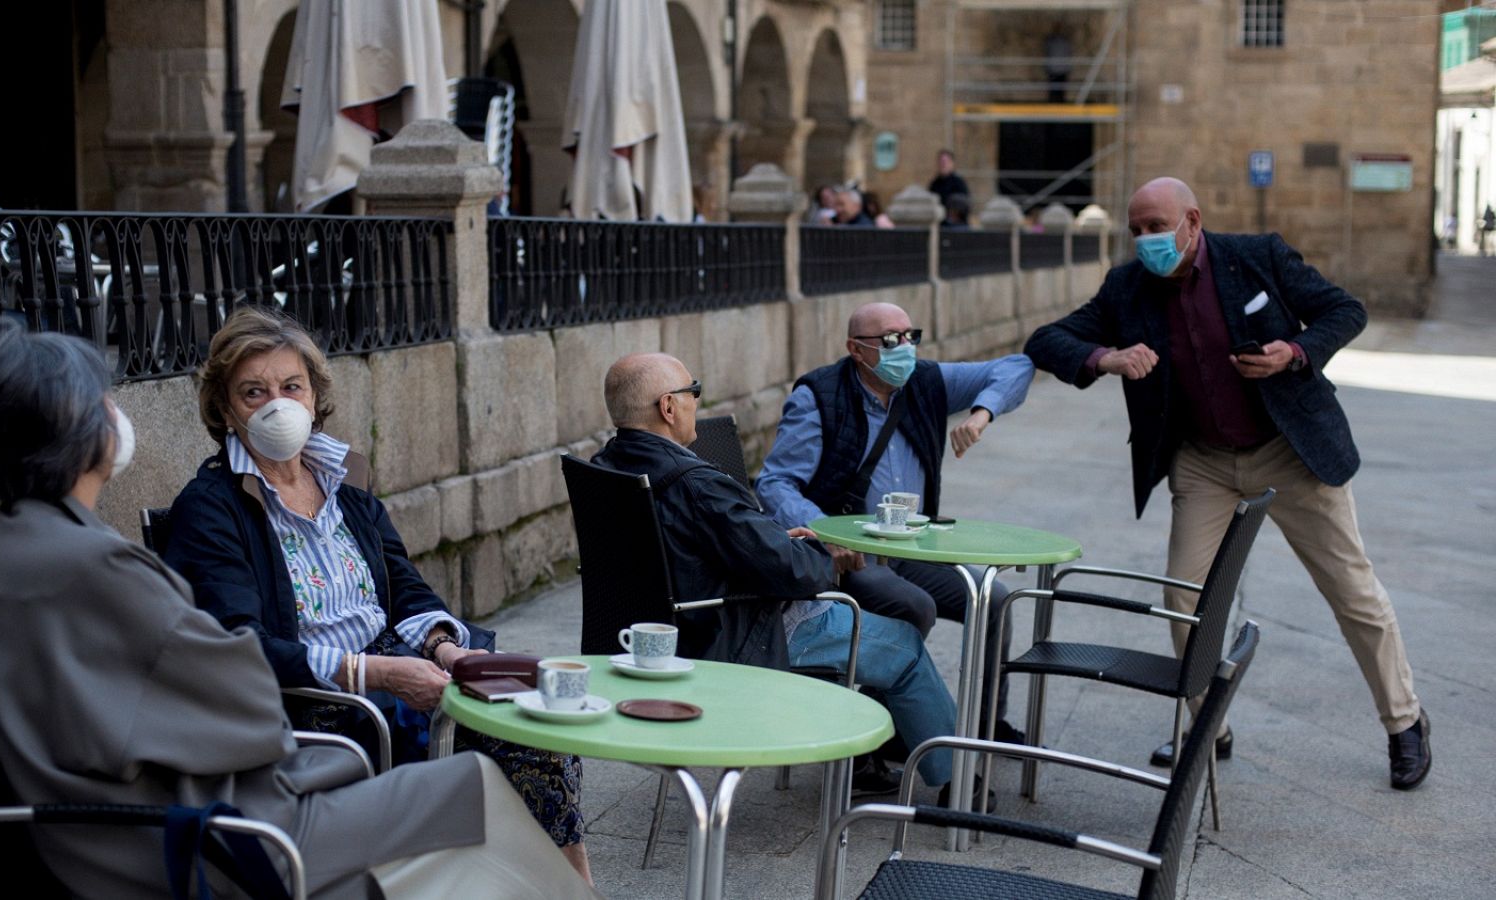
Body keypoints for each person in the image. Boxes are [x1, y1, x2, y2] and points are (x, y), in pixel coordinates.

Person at [0, 318, 597, 898]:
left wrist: (442, 646)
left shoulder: (24, 546)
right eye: (104, 401)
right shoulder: (105, 561)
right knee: (475, 787)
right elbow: (244, 685)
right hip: (218, 831)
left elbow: (190, 680)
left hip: (155, 818)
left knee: (517, 736)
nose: (116, 414)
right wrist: (364, 676)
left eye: (292, 386)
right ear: (76, 432)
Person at [1023, 176, 1430, 790]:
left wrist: (1293, 352)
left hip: (1289, 449)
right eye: (1136, 230)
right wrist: (1106, 358)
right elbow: (1046, 340)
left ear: (1192, 221)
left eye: (1156, 227)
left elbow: (1345, 310)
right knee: (1184, 594)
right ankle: (1208, 724)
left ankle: (1405, 721)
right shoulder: (1126, 287)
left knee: (1351, 589)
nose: (1145, 240)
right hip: (1204, 461)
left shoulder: (1258, 257)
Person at [163, 306, 593, 880]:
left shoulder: (343, 482)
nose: (276, 405)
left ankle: (567, 886)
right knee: (514, 745)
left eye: (291, 386)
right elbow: (241, 645)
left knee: (538, 720)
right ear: (224, 409)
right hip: (321, 699)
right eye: (253, 392)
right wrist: (377, 673)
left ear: (314, 396)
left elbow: (403, 585)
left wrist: (445, 647)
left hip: (399, 668)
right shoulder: (212, 507)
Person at [592, 352, 970, 802]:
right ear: (668, 407)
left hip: (663, 632)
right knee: (904, 647)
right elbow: (789, 571)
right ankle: (958, 785)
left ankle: (856, 749)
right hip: (736, 631)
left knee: (880, 617)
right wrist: (825, 556)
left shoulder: (605, 466)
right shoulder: (694, 481)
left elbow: (713, 546)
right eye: (694, 391)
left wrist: (771, 539)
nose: (698, 401)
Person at [754, 302, 1035, 745]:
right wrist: (826, 533)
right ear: (856, 349)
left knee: (993, 597)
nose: (905, 347)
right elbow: (775, 483)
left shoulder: (926, 382)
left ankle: (984, 729)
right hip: (852, 556)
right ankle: (873, 736)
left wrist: (982, 413)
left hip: (911, 547)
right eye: (890, 340)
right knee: (913, 606)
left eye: (910, 336)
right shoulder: (819, 396)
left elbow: (1018, 367)